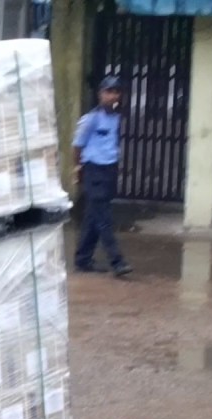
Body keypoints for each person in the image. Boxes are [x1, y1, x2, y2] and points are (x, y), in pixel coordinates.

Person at [73, 75, 133, 278]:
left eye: (116, 92)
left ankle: (83, 259)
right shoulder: (90, 119)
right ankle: (117, 262)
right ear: (100, 94)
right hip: (94, 170)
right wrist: (78, 167)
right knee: (104, 219)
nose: (113, 96)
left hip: (109, 170)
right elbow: (77, 146)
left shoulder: (117, 118)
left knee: (93, 217)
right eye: (109, 91)